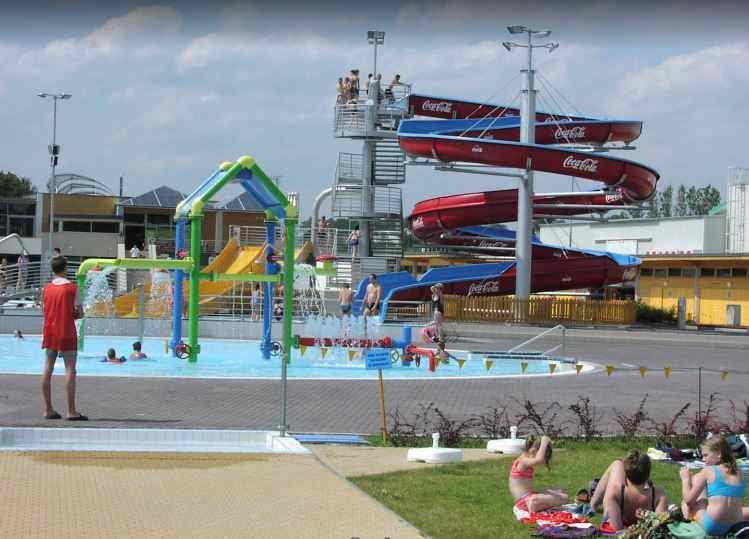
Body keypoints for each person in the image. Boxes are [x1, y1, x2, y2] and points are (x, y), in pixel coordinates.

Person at [41, 255, 87, 421]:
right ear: (65, 268)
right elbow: (80, 313)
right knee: (70, 369)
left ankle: (48, 409)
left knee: (48, 368)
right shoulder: (72, 288)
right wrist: (73, 314)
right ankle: (71, 411)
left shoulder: (46, 288)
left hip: (50, 331)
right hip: (66, 332)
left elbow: (44, 311)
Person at [681, 436, 749, 537]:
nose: (703, 459)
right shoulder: (741, 472)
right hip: (735, 524)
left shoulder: (708, 471)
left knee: (692, 499)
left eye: (706, 455)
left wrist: (685, 479)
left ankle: (686, 517)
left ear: (719, 454)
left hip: (713, 525)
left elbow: (689, 501)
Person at [589, 450, 667, 531]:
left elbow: (617, 530)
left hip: (617, 514)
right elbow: (659, 527)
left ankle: (592, 505)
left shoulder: (615, 491)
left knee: (617, 463)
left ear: (626, 473)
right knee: (618, 464)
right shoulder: (659, 494)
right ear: (648, 473)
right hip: (645, 519)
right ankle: (592, 504)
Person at [508, 435, 568, 514]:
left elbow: (540, 460)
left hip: (528, 497)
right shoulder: (523, 461)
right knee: (564, 498)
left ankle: (539, 503)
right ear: (534, 450)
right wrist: (544, 442)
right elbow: (539, 460)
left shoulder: (524, 460)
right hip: (525, 501)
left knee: (558, 490)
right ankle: (535, 504)